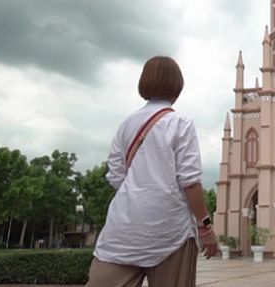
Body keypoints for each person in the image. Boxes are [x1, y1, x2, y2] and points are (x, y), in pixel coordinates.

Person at [86, 56, 218, 287]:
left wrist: (139, 191)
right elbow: (190, 181)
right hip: (171, 231)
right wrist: (205, 227)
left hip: (124, 229)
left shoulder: (126, 125)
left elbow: (116, 175)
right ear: (177, 88)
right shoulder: (181, 123)